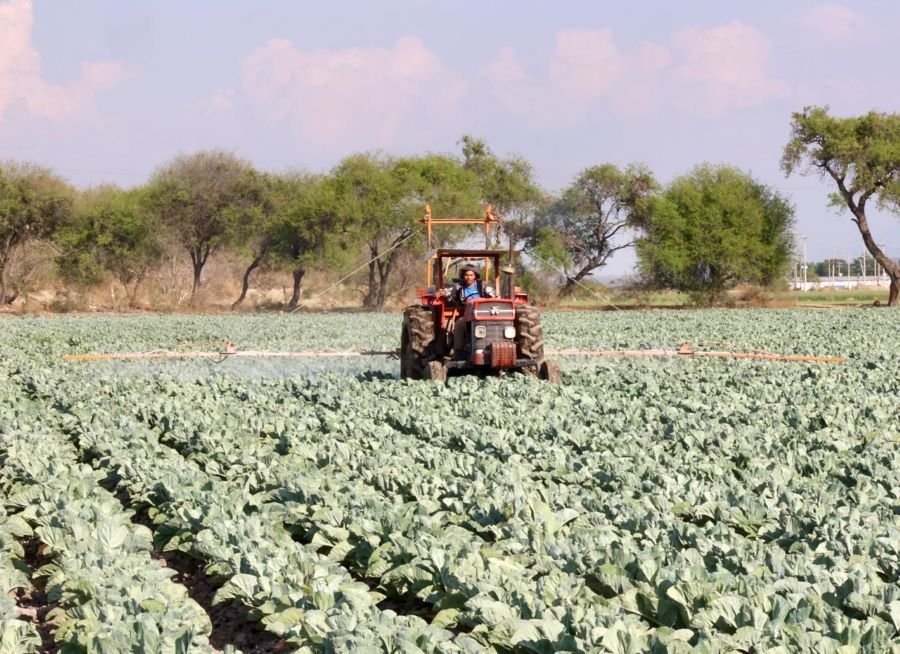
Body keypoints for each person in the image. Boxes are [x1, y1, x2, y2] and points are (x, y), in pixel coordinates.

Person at [449, 267, 493, 355]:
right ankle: (458, 350)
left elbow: (493, 295)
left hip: (484, 313)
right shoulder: (459, 287)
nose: (468, 277)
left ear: (475, 276)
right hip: (468, 314)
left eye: (471, 275)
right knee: (459, 323)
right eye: (466, 275)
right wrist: (441, 292)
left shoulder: (483, 286)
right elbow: (449, 294)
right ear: (463, 276)